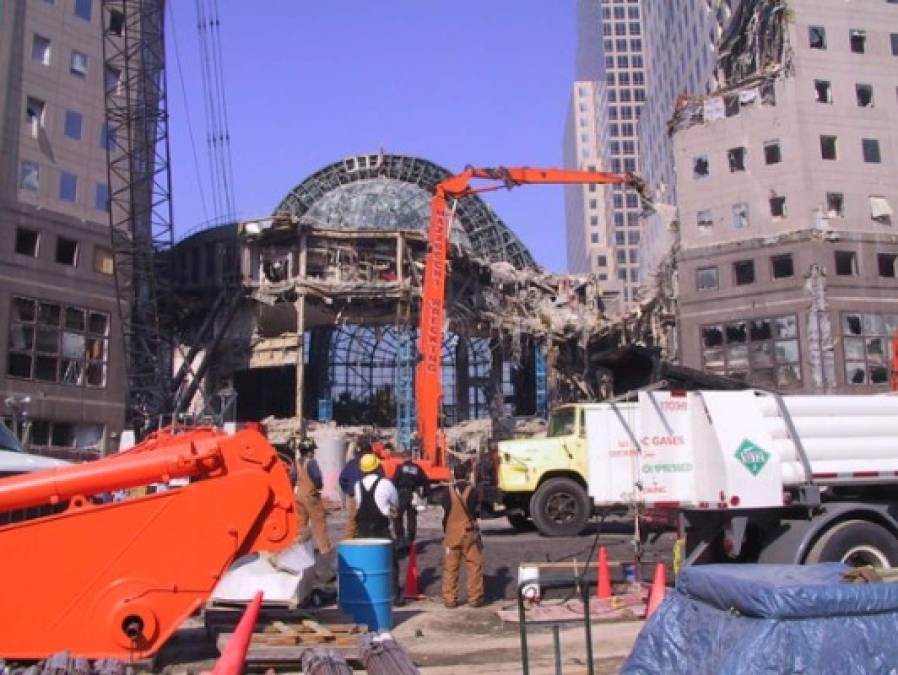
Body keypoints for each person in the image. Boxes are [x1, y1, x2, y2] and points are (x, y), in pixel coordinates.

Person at [354, 453, 403, 605]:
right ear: (377, 466)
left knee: (365, 564)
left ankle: (368, 595)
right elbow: (395, 502)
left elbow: (358, 505)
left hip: (363, 530)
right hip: (380, 529)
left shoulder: (358, 485)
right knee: (390, 563)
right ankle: (394, 596)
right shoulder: (386, 484)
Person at [441, 462, 484, 608]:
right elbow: (476, 511)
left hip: (452, 532)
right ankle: (474, 597)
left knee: (450, 567)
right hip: (468, 532)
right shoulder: (473, 491)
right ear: (466, 475)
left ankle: (449, 599)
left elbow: (445, 510)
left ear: (454, 474)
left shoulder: (447, 491)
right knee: (474, 565)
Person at [294, 437, 333, 556]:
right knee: (319, 522)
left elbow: (291, 477)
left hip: (298, 495)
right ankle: (325, 549)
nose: (314, 452)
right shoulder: (311, 462)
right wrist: (319, 486)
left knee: (301, 524)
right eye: (312, 450)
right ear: (309, 451)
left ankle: (299, 549)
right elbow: (317, 477)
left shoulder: (296, 463)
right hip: (311, 496)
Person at [339, 439, 384, 539]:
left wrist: (350, 492)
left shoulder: (351, 463)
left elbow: (342, 479)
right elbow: (382, 479)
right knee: (373, 522)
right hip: (372, 498)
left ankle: (347, 547)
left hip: (354, 498)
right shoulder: (374, 463)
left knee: (352, 523)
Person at [392, 449, 429, 547]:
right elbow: (425, 481)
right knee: (412, 517)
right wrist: (425, 495)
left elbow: (394, 481)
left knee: (398, 516)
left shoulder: (400, 468)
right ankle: (410, 538)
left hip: (402, 493)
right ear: (411, 457)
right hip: (414, 494)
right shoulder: (417, 468)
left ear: (403, 457)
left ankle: (400, 537)